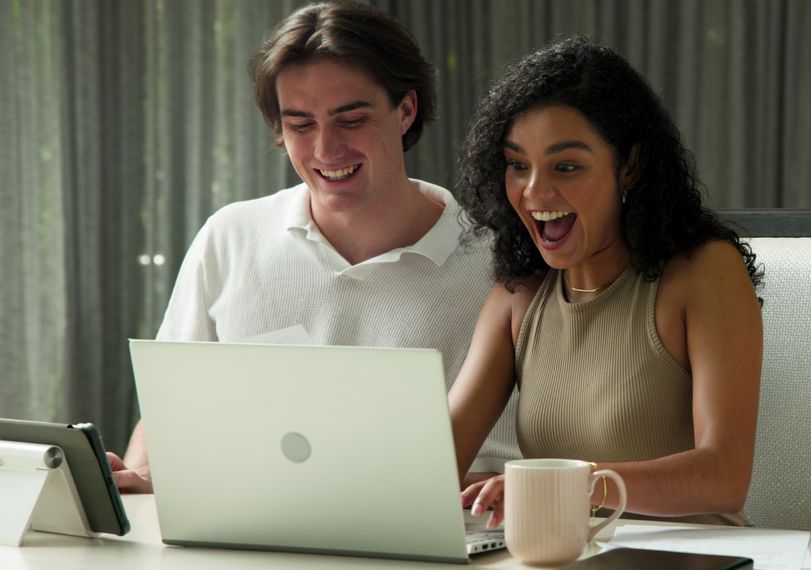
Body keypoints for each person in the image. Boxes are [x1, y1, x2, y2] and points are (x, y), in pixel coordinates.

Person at [107, 1, 518, 492]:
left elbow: (528, 462)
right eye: (300, 125)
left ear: (405, 110)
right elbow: (165, 415)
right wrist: (143, 485)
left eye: (351, 119)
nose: (325, 149)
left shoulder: (495, 259)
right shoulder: (231, 237)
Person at [449, 36, 763, 527]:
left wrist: (565, 486)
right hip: (560, 556)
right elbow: (436, 457)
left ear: (630, 168)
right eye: (517, 165)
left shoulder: (703, 273)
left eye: (566, 166)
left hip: (693, 557)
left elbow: (724, 476)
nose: (534, 191)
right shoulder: (518, 298)